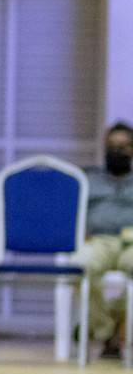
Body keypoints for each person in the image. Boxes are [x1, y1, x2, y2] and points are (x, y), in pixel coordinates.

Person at [74, 122, 133, 356]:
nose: (117, 151)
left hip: (132, 242)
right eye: (112, 146)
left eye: (124, 146)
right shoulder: (88, 178)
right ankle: (107, 327)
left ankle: (118, 325)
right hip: (99, 241)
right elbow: (71, 212)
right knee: (79, 265)